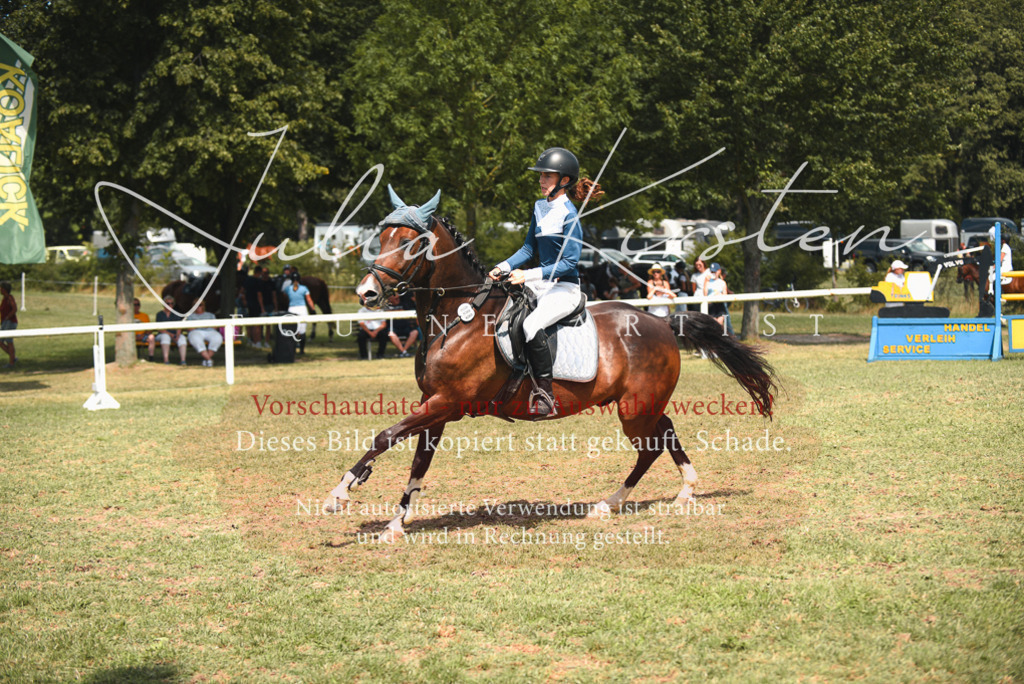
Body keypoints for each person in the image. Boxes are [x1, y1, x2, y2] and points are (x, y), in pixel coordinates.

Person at [488, 146, 603, 416]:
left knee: (530, 324)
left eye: (547, 176)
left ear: (564, 180)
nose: (541, 180)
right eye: (540, 176)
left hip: (564, 288)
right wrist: (501, 267)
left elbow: (569, 263)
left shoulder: (569, 214)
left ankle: (544, 394)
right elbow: (528, 249)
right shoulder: (540, 207)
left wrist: (527, 275)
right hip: (541, 285)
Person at [148, 295, 188, 365]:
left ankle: (183, 361)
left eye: (171, 303)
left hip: (175, 334)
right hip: (163, 334)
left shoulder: (176, 314)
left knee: (182, 338)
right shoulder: (159, 314)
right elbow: (160, 329)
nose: (170, 305)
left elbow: (179, 327)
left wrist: (177, 335)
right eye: (168, 303)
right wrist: (171, 334)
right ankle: (166, 360)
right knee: (165, 337)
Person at [186, 299, 223, 367]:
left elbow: (215, 326)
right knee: (194, 338)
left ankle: (206, 359)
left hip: (210, 331)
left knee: (217, 338)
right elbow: (189, 328)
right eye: (196, 305)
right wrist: (202, 326)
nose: (198, 307)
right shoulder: (190, 316)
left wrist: (202, 326)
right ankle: (209, 360)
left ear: (203, 306)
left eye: (200, 305)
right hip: (196, 332)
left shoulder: (210, 315)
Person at [283, 276, 316, 351]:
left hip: (292, 309)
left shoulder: (288, 288)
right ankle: (302, 349)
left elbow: (285, 296)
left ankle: (293, 348)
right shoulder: (304, 288)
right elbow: (309, 299)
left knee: (292, 330)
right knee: (302, 330)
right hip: (302, 309)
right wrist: (313, 309)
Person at [242, 265, 269, 349]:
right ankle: (257, 341)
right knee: (257, 325)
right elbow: (259, 295)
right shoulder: (258, 281)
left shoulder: (248, 280)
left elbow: (242, 291)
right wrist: (262, 307)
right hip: (256, 304)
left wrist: (244, 301)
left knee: (251, 323)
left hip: (249, 304)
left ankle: (252, 340)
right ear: (259, 272)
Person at [386, 293, 420, 358]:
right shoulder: (387, 306)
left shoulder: (404, 304)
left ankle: (403, 351)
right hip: (393, 327)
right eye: (396, 298)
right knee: (391, 334)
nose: (398, 299)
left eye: (399, 298)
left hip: (405, 327)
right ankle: (404, 352)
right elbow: (385, 313)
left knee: (415, 332)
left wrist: (393, 312)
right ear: (390, 299)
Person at [703, 262, 729, 329]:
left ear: (719, 271)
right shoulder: (708, 282)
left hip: (720, 305)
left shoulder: (722, 282)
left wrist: (720, 295)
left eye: (715, 271)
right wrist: (706, 282)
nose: (713, 273)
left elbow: (725, 294)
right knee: (713, 325)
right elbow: (705, 294)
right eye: (712, 271)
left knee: (719, 325)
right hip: (711, 305)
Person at [0, 281, 17, 368]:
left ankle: (11, 362)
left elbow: (14, 309)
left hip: (10, 322)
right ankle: (13, 357)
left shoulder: (10, 298)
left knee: (9, 341)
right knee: (2, 341)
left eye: (1, 288)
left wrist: (7, 317)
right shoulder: (4, 299)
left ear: (4, 289)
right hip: (5, 322)